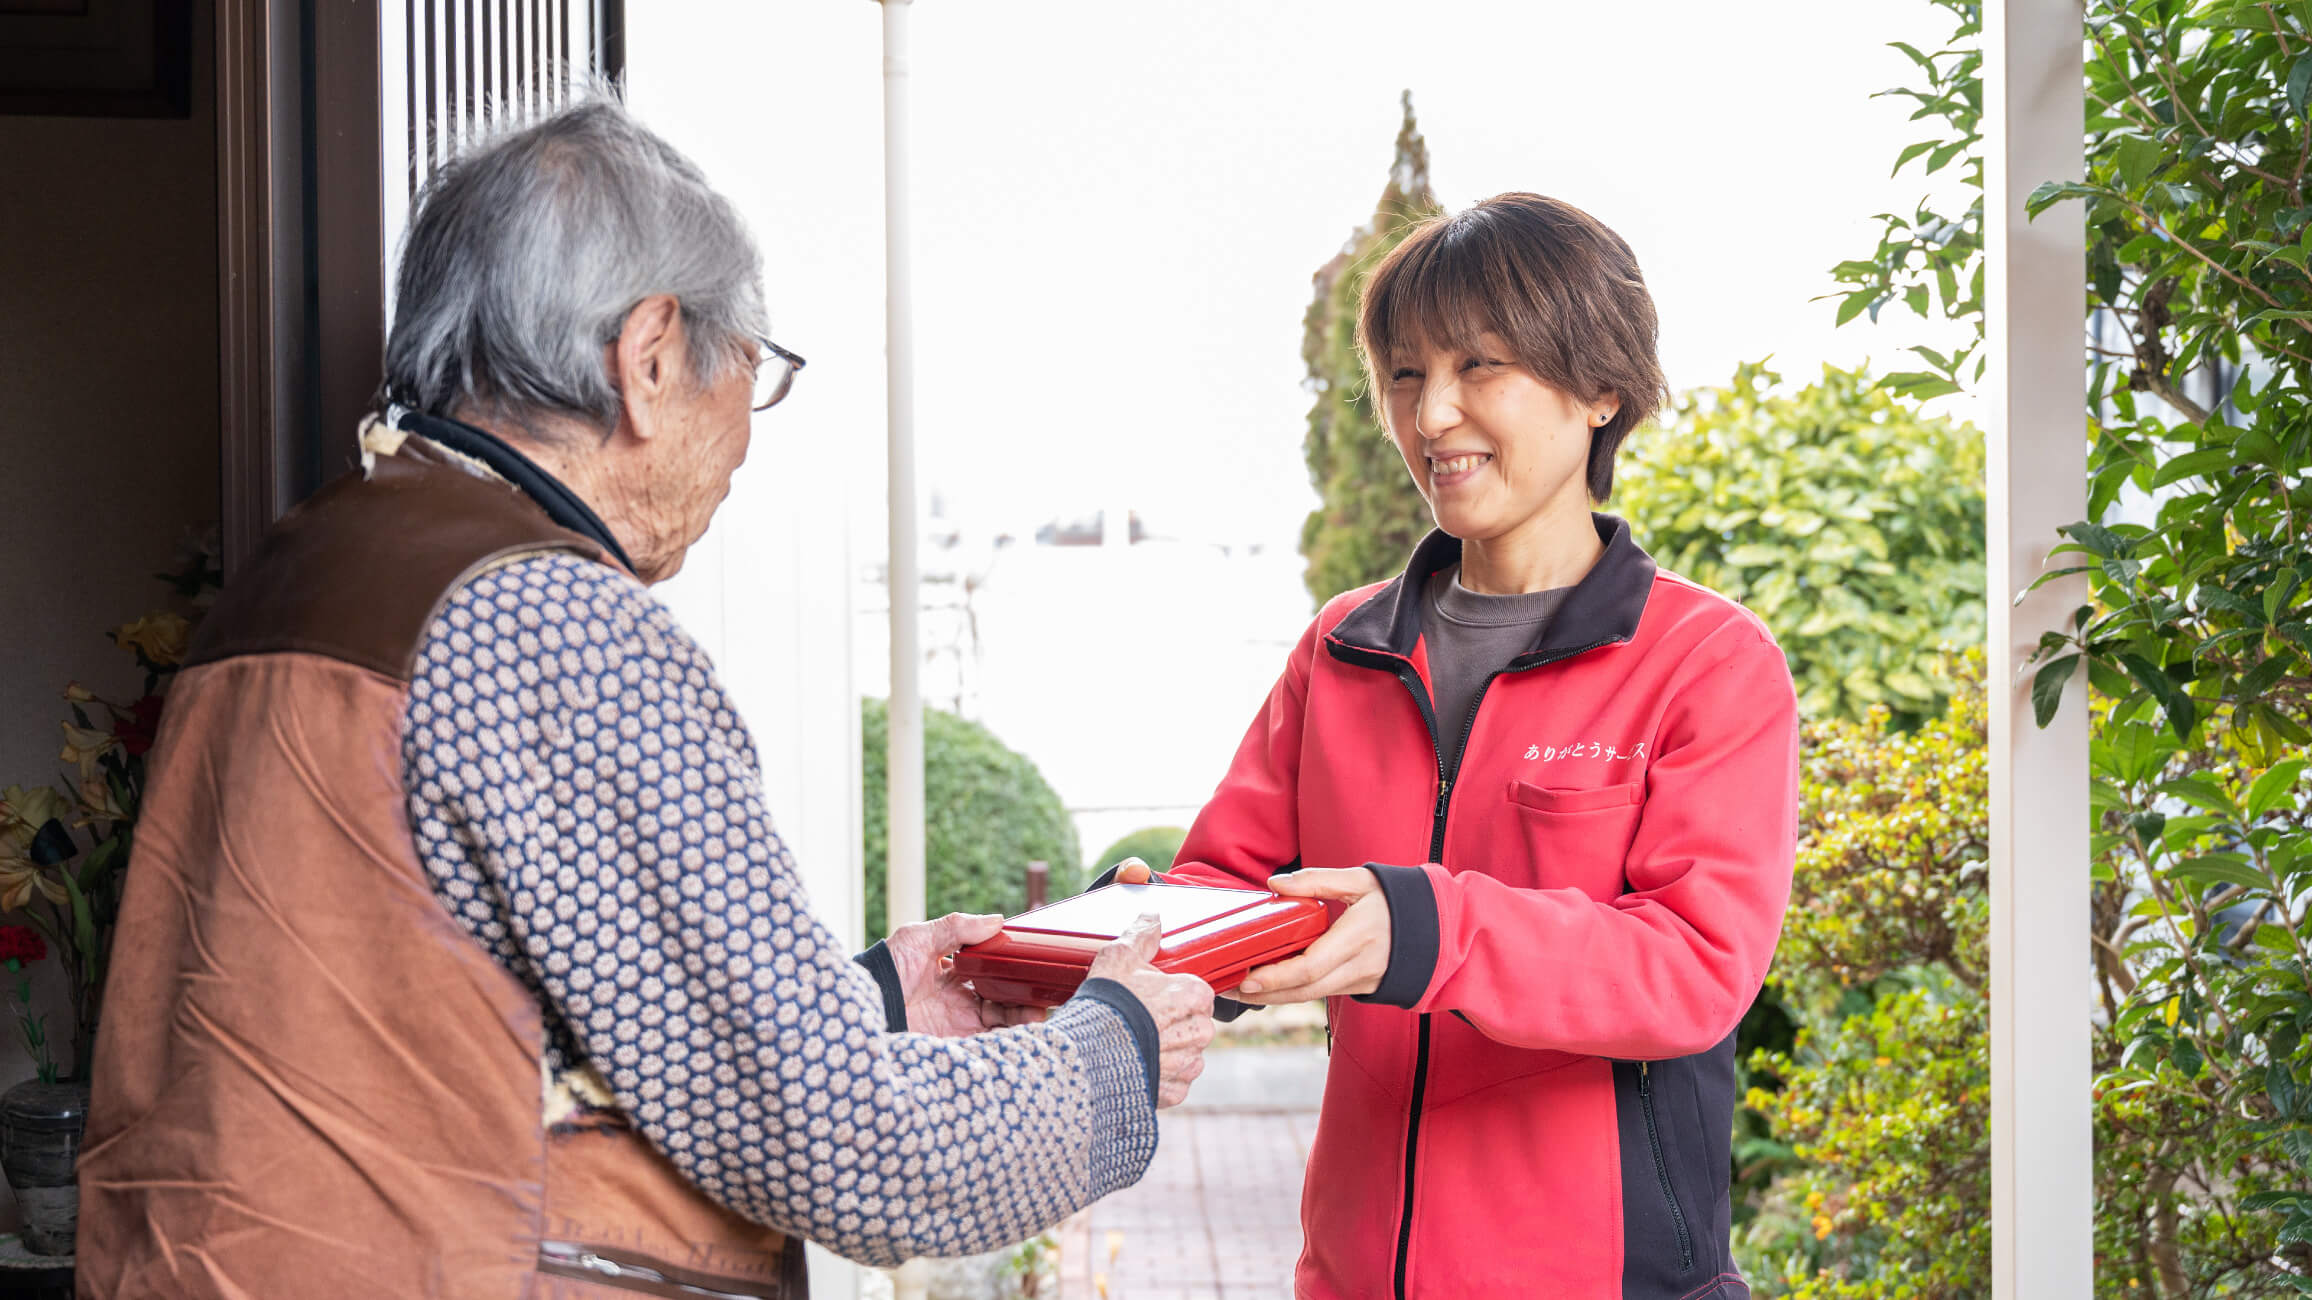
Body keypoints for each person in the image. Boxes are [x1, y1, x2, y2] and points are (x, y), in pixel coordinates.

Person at [76, 98, 1214, 1299]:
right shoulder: (555, 626)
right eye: (749, 371)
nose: (742, 435)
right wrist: (1114, 1048)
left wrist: (870, 996)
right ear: (652, 353)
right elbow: (846, 1146)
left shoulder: (300, 567)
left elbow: (467, 1019)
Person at [1110, 194, 1800, 1298]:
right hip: (1349, 1273)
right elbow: (1232, 878)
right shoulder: (1342, 647)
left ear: (1600, 389)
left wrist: (1428, 928)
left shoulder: (1704, 660)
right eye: (1402, 373)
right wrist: (1144, 932)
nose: (1431, 414)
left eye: (1479, 366)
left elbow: (1692, 966)